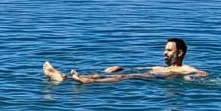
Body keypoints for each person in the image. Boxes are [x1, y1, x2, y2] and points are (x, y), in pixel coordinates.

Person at [43, 38, 209, 84]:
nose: (164, 53)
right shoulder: (158, 65)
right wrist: (120, 67)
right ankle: (62, 78)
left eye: (168, 50)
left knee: (126, 78)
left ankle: (85, 82)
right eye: (164, 49)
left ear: (179, 53)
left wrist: (193, 76)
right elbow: (137, 68)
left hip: (152, 79)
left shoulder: (184, 68)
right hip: (145, 74)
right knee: (108, 74)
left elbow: (201, 73)